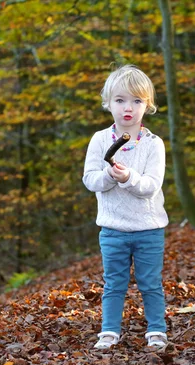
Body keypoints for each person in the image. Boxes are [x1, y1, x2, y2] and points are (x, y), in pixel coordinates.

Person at [82, 64, 169, 349]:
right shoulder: (99, 140)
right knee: (114, 284)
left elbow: (150, 186)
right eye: (120, 100)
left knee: (150, 283)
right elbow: (90, 179)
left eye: (136, 100)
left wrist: (129, 177)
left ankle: (156, 330)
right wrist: (109, 175)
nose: (127, 108)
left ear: (148, 105)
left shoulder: (154, 145)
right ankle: (109, 331)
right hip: (112, 229)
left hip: (149, 229)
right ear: (108, 104)